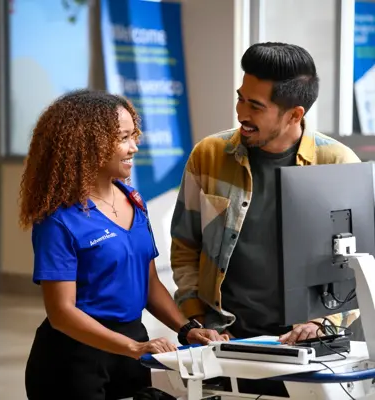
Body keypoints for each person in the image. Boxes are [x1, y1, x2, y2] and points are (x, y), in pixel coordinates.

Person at [19, 90, 228, 400]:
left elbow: (149, 284)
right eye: (124, 138)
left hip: (131, 347)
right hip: (74, 357)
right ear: (88, 145)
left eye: (134, 135)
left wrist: (186, 329)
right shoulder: (58, 219)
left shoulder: (134, 201)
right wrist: (133, 348)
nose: (134, 147)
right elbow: (62, 312)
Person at [170, 42, 361, 345]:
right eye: (240, 99)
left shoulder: (338, 164)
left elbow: (360, 264)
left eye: (255, 106)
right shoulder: (207, 155)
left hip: (307, 344)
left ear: (294, 115)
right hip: (223, 341)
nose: (241, 113)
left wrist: (322, 323)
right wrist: (198, 319)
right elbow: (184, 246)